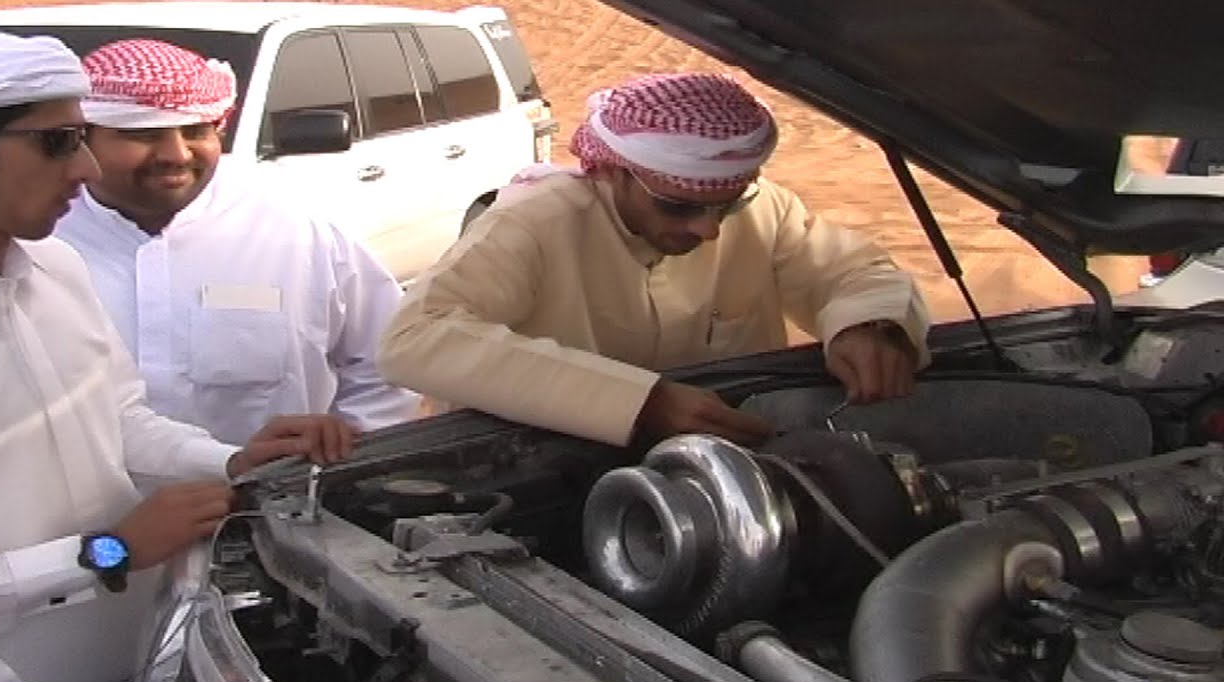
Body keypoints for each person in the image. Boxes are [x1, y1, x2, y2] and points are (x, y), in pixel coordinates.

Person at [0, 30, 354, 682]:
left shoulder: (53, 269)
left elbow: (117, 417)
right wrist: (107, 552)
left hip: (151, 658)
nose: (84, 169)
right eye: (57, 142)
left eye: (81, 138)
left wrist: (232, 462)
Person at [378, 72, 931, 447]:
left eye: (727, 204)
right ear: (616, 172)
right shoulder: (538, 223)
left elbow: (852, 273)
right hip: (556, 471)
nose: (709, 229)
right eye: (679, 206)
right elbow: (415, 339)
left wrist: (870, 325)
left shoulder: (764, 210)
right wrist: (638, 404)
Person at [54, 38, 419, 446]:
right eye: (144, 134)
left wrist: (344, 450)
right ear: (82, 139)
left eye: (196, 131)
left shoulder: (294, 227)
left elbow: (390, 357)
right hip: (99, 507)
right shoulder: (41, 240)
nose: (175, 154)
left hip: (272, 501)